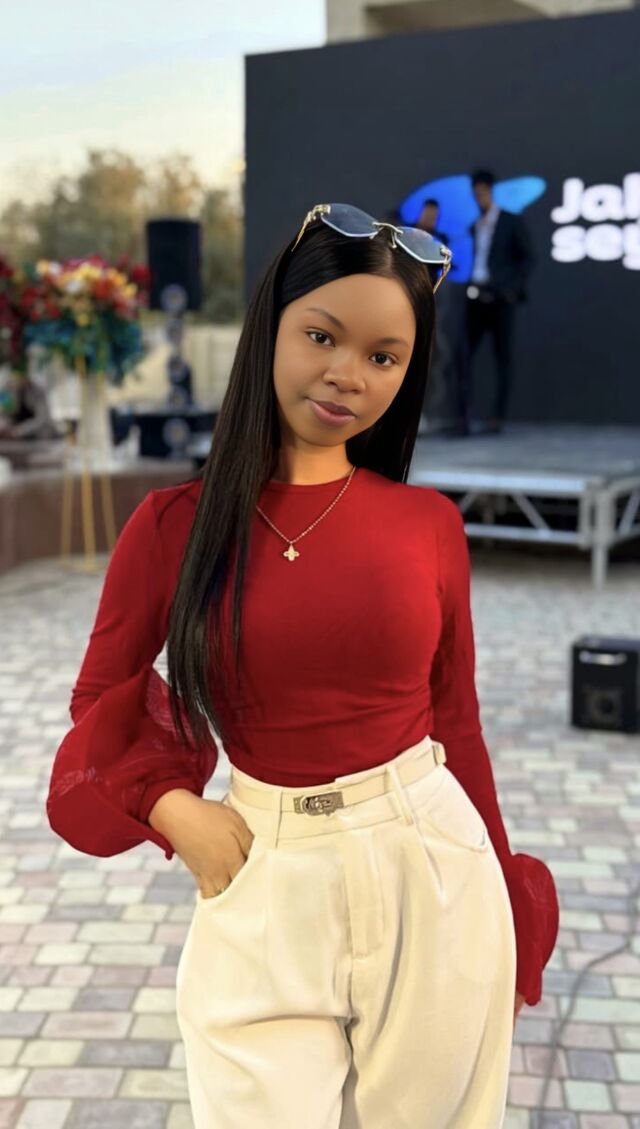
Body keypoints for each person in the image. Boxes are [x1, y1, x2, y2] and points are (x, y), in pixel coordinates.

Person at [46, 202, 558, 1129]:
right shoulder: (172, 527)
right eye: (322, 336)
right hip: (260, 869)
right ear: (270, 328)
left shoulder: (428, 526)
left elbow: (458, 722)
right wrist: (174, 811)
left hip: (431, 866)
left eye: (384, 356)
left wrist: (508, 893)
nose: (348, 374)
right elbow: (99, 696)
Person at [455, 169, 535, 436]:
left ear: (490, 191)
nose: (479, 197)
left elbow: (527, 258)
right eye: (475, 194)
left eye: (482, 192)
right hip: (475, 295)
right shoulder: (475, 224)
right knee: (463, 355)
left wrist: (510, 288)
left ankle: (497, 417)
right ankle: (464, 417)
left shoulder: (510, 221)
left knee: (502, 357)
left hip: (500, 298)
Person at [415, 199, 456, 434]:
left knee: (434, 362)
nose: (430, 218)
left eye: (434, 215)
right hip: (410, 311)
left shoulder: (441, 243)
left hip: (433, 314)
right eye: (427, 214)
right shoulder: (408, 236)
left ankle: (425, 413)